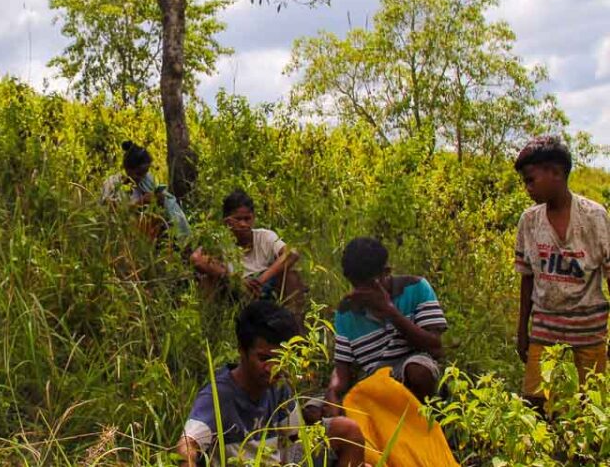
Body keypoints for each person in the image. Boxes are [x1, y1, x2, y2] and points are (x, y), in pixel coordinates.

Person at [176, 300, 369, 467]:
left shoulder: (280, 387)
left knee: (347, 431)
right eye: (263, 358)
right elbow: (187, 444)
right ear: (242, 351)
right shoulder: (219, 395)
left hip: (279, 458)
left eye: (280, 359)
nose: (272, 368)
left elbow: (293, 441)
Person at [513, 136, 610, 406]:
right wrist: (523, 331)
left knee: (591, 404)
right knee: (535, 402)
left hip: (589, 327)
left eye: (531, 180)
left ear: (556, 173)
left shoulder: (594, 216)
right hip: (546, 326)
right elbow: (527, 278)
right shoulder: (530, 221)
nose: (527, 188)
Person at [325, 237, 447, 410]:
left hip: (410, 374)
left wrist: (391, 312)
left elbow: (436, 348)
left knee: (418, 371)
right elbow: (342, 370)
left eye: (369, 285)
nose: (363, 293)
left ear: (386, 273)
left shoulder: (416, 288)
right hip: (373, 385)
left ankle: (422, 423)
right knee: (314, 409)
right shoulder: (346, 312)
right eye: (357, 286)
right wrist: (333, 392)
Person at [189, 189, 307, 313]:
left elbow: (292, 253)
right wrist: (236, 280)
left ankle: (295, 325)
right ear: (227, 221)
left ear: (253, 218)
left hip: (264, 286)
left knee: (291, 276)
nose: (243, 224)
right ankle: (211, 323)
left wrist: (260, 280)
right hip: (232, 291)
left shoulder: (265, 236)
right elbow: (196, 258)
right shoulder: (219, 242)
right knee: (207, 280)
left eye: (247, 219)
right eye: (238, 219)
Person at [101, 140, 190, 242]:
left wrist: (159, 199)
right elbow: (110, 213)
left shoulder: (146, 181)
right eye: (138, 173)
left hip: (152, 234)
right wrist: (140, 203)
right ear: (127, 169)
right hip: (127, 235)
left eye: (145, 173)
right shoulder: (112, 184)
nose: (142, 177)